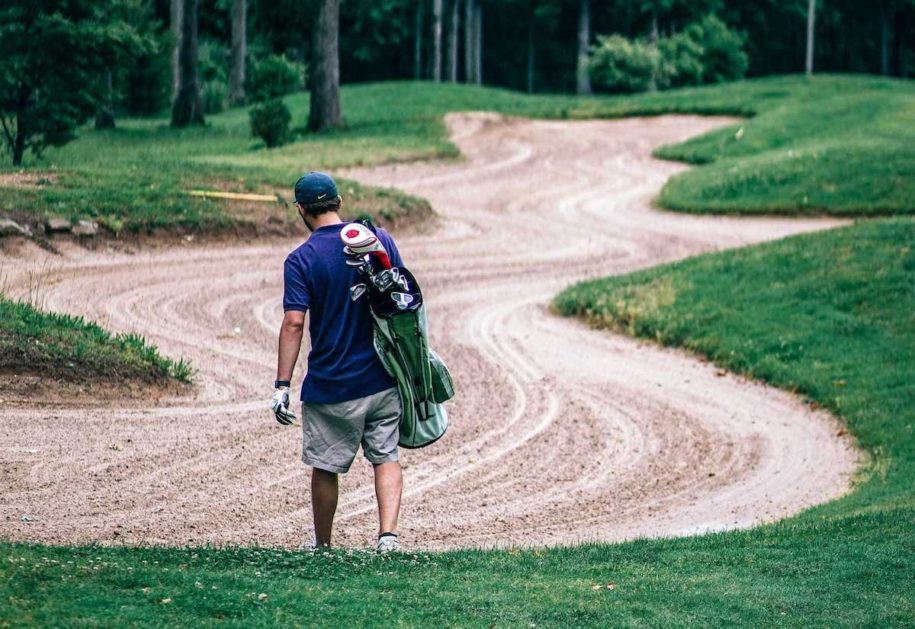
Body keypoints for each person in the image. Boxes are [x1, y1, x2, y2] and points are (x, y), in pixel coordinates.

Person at [271, 171, 404, 553]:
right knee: (386, 457)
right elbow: (405, 299)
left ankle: (324, 545)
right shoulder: (379, 240)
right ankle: (388, 538)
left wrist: (282, 387)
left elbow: (294, 323)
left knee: (326, 466)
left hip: (332, 386)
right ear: (339, 202)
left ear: (301, 210)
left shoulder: (301, 260)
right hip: (382, 379)